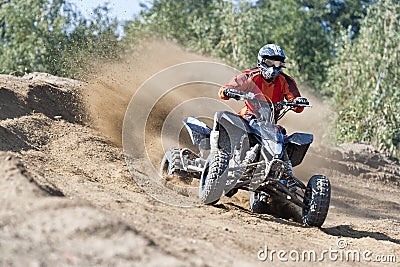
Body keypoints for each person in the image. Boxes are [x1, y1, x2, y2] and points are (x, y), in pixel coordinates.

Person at [219, 44, 308, 121]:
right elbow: (224, 90)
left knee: (284, 136)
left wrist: (298, 102)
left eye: (277, 64)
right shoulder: (249, 76)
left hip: (270, 123)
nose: (273, 68)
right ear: (261, 61)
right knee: (222, 118)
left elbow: (297, 105)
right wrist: (229, 92)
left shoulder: (286, 81)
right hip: (247, 118)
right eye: (269, 63)